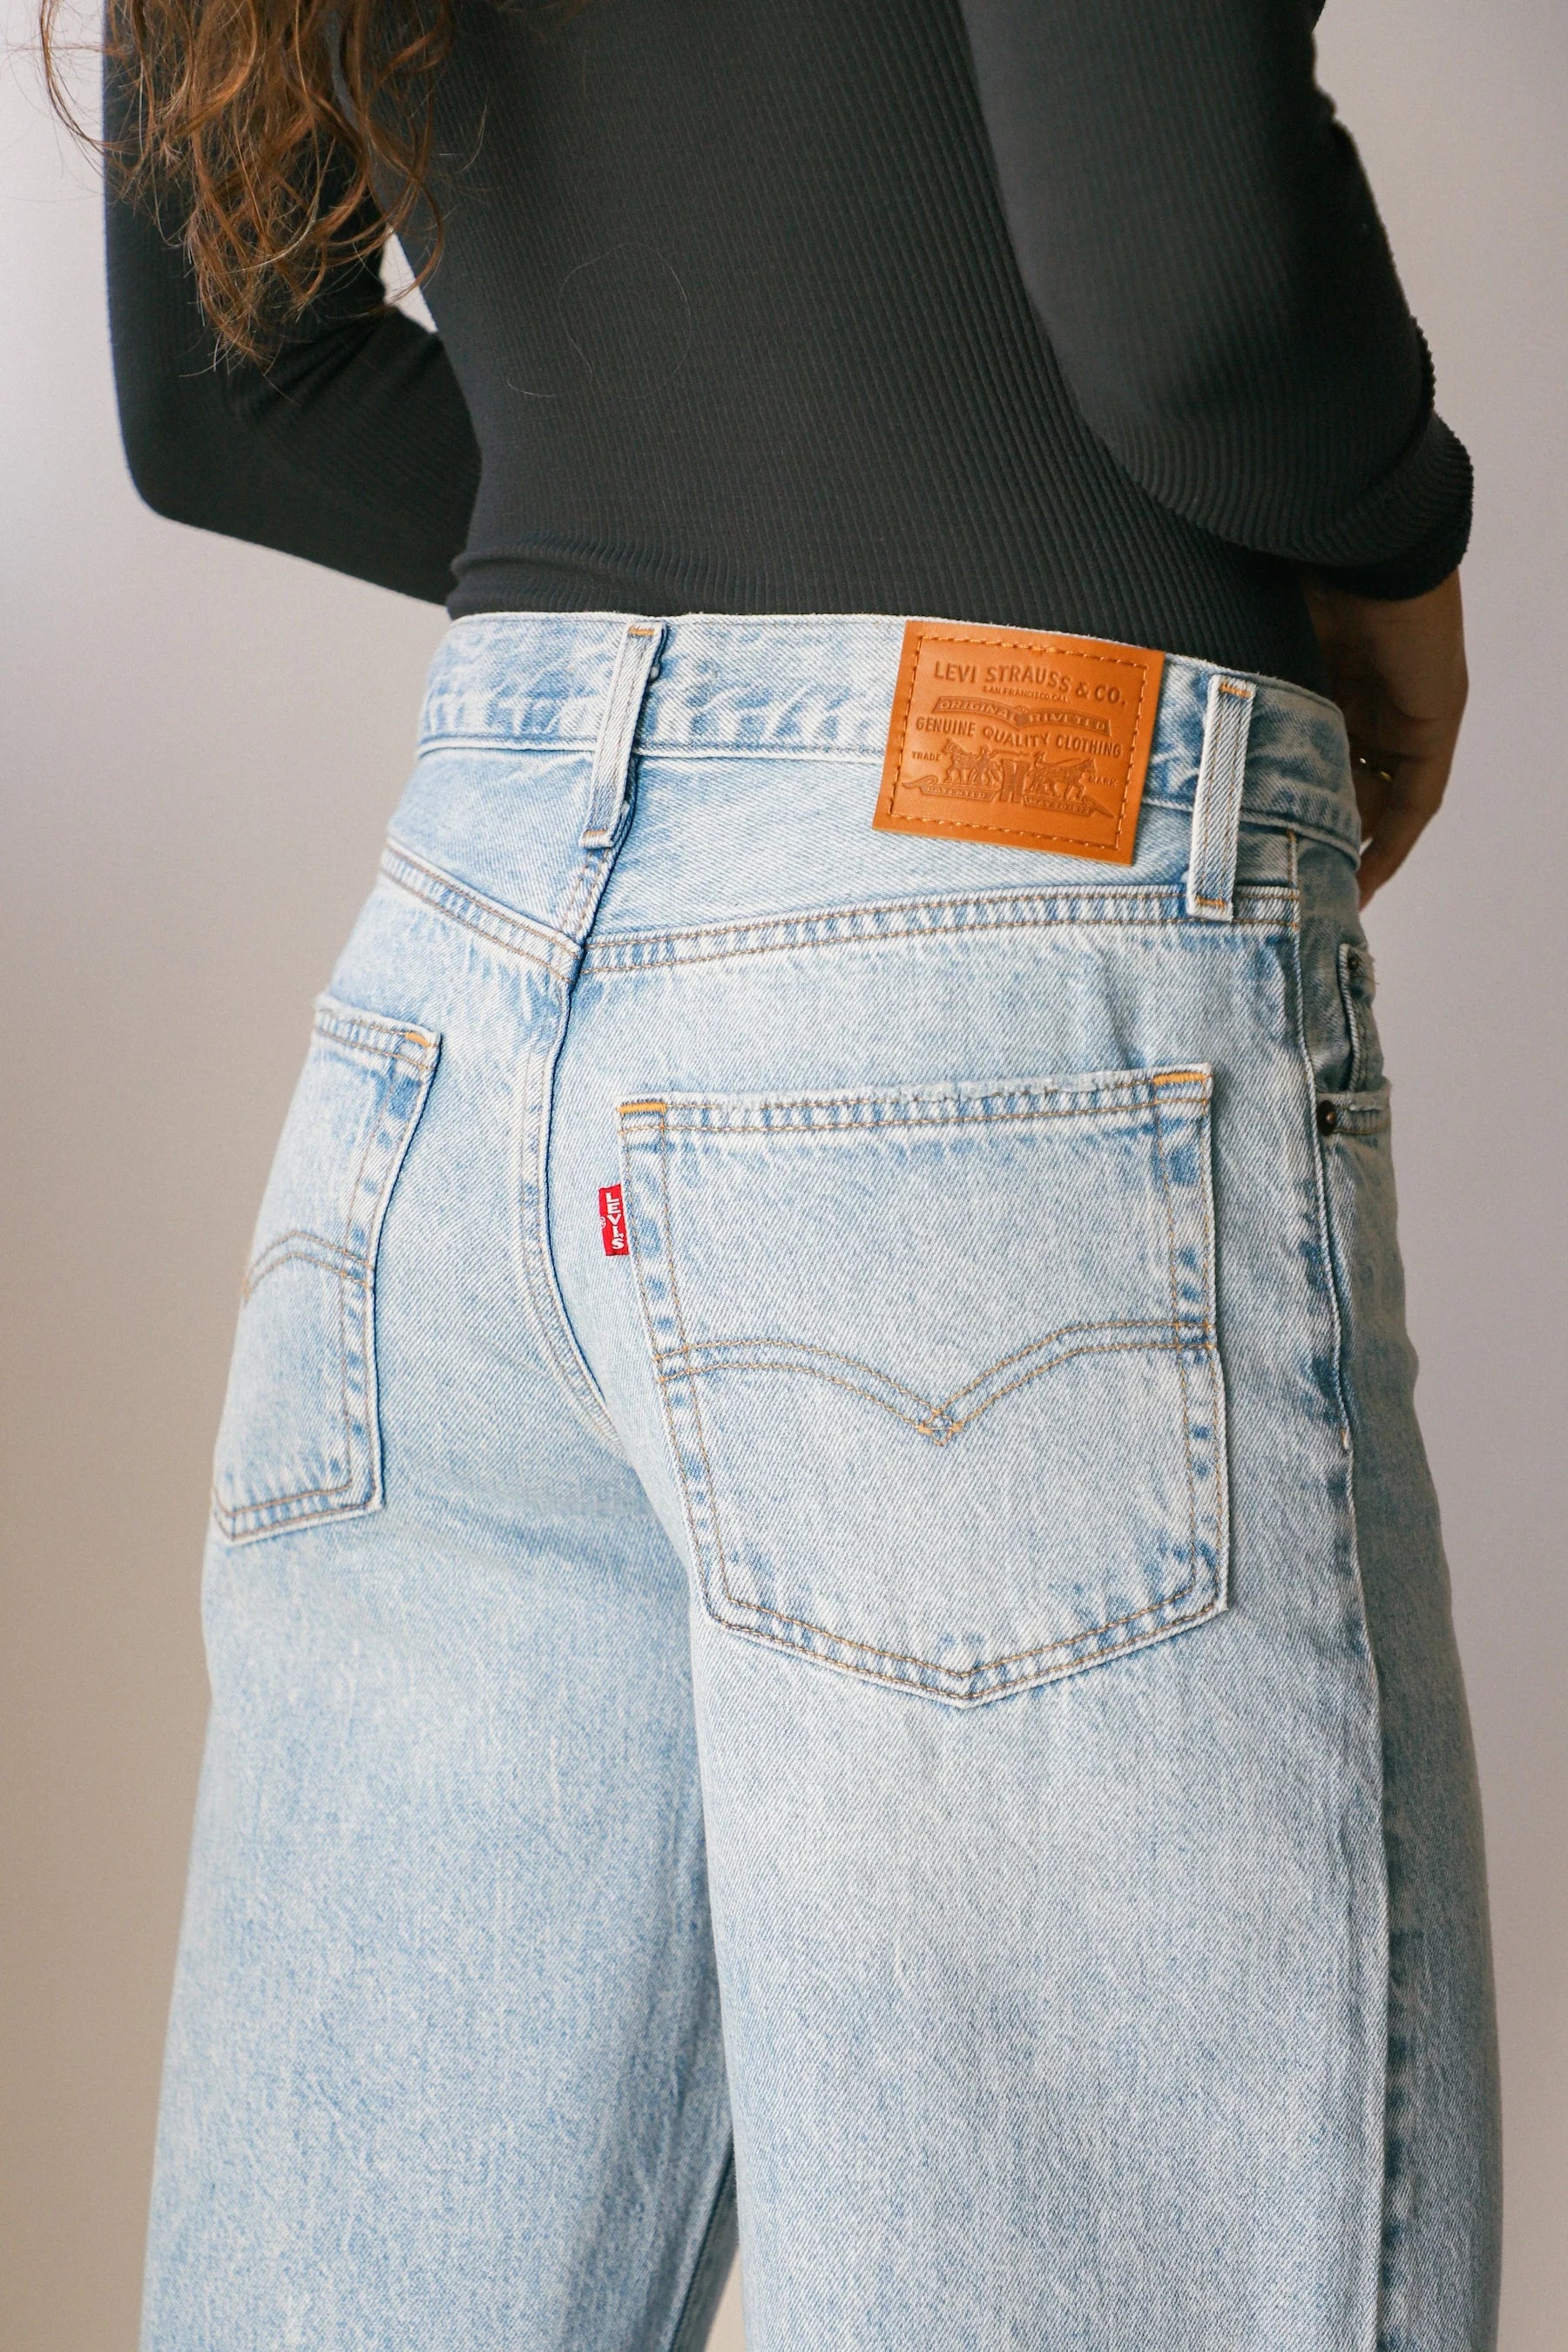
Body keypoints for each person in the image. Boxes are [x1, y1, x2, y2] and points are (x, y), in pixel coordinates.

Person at [63, 0, 1499, 2343]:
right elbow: (1196, 294)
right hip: (996, 995)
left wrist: (709, 638)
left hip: (469, 1019)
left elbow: (230, 372)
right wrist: (1396, 549)